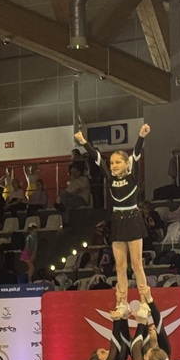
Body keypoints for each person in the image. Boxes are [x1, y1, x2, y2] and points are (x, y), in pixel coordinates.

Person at [76, 125, 152, 319]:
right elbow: (97, 158)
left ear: (126, 164)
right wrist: (84, 142)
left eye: (118, 162)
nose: (114, 165)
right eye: (112, 163)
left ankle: (144, 303)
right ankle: (122, 303)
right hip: (118, 220)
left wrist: (141, 136)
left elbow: (136, 154)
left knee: (137, 264)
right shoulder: (110, 178)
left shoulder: (132, 176)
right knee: (120, 265)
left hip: (133, 219)